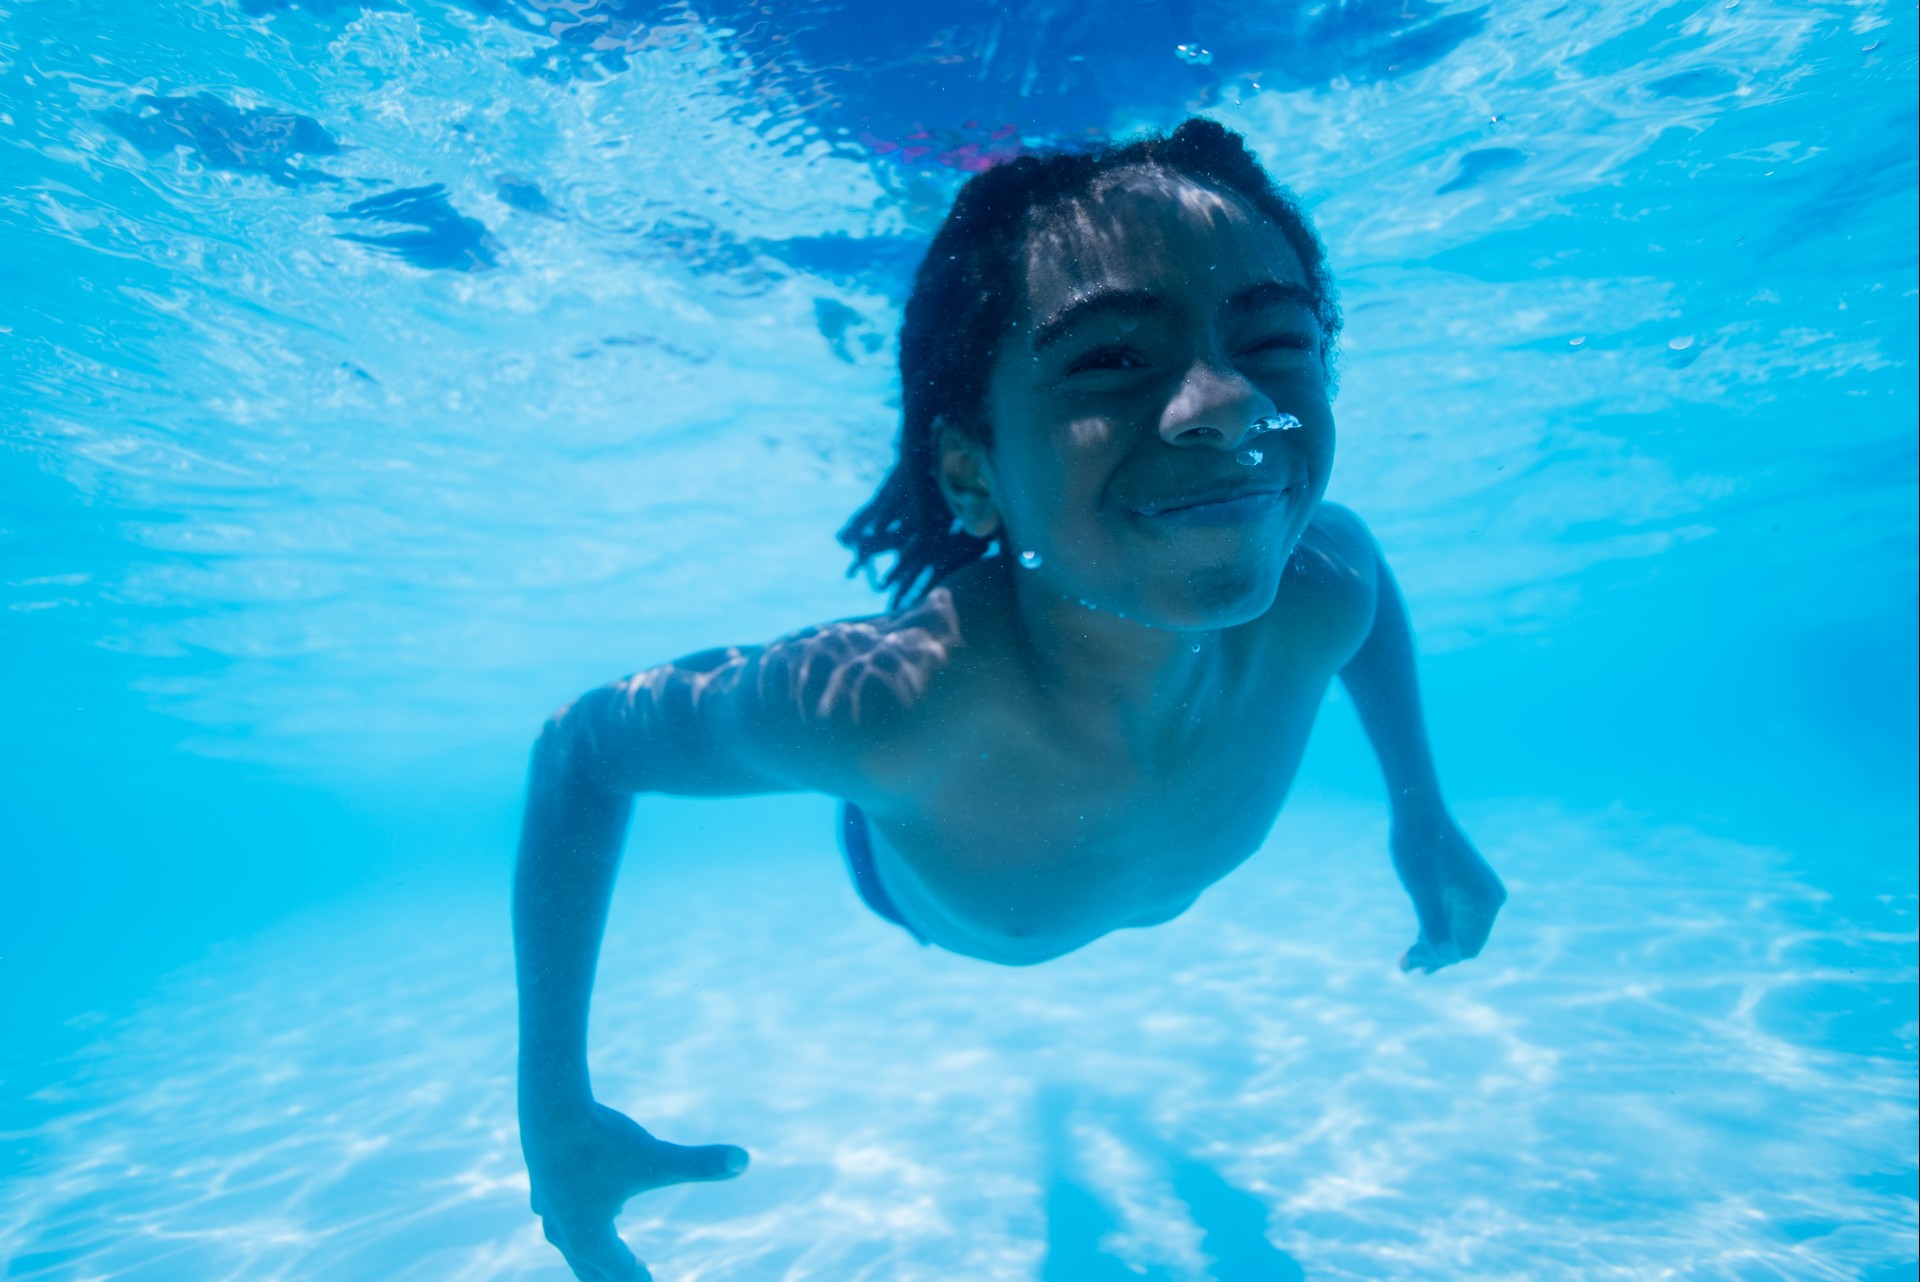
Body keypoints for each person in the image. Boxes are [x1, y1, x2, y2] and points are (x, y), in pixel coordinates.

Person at [513, 117, 1507, 1281]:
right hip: (918, 891)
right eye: (1109, 359)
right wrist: (554, 1110)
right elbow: (582, 749)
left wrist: (1420, 808)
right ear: (970, 471)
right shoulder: (895, 712)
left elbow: (1369, 592)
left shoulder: (1320, 584)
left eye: (1277, 339)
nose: (1226, 402)